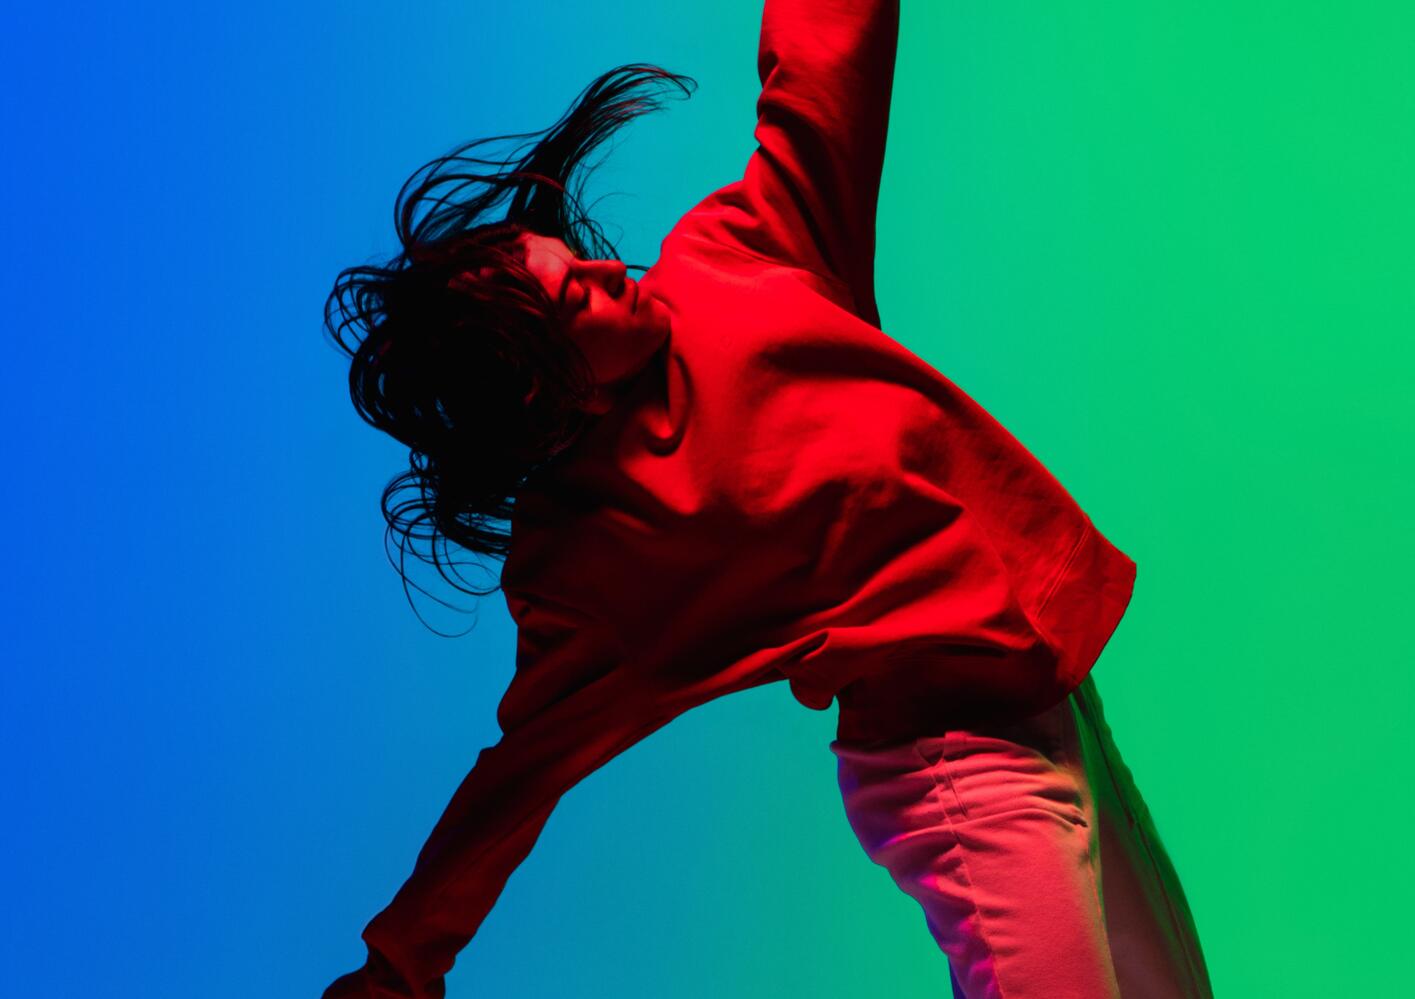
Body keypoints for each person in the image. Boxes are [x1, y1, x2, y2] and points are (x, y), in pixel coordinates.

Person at [320, 2, 1213, 996]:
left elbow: (817, 70)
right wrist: (396, 968)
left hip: (1056, 701)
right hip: (958, 774)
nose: (608, 267)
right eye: (577, 295)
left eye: (575, 259)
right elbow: (520, 774)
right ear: (538, 391)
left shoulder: (737, 256)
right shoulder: (591, 558)